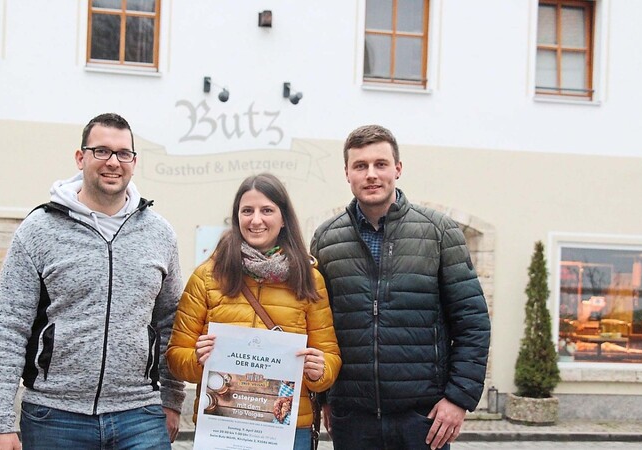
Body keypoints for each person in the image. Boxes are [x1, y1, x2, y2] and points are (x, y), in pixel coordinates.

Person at [0, 113, 185, 450]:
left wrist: (173, 398)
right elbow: (9, 326)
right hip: (54, 416)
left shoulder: (159, 233)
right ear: (81, 157)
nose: (113, 162)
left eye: (123, 153)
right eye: (102, 151)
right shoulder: (39, 230)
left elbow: (171, 322)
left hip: (140, 414)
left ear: (134, 162)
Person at [310, 124, 491, 450]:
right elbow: (319, 326)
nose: (371, 174)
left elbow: (472, 321)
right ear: (347, 173)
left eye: (380, 164)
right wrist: (326, 396)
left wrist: (458, 398)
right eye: (360, 166)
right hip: (353, 417)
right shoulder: (326, 240)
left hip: (423, 418)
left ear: (398, 168)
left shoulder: (439, 232)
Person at [166, 172, 341, 450]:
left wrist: (320, 371)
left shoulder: (309, 278)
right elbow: (176, 357)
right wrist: (199, 360)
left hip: (288, 431)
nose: (256, 220)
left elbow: (329, 358)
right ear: (237, 217)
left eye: (267, 210)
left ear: (283, 219)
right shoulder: (207, 277)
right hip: (222, 428)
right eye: (247, 211)